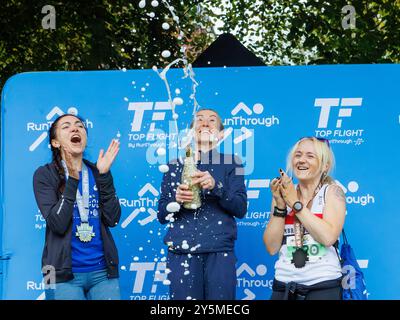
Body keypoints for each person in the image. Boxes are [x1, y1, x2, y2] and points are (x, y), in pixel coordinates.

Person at [157, 109, 247, 300]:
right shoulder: (174, 165)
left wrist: (217, 187)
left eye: (212, 120)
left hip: (219, 251)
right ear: (190, 132)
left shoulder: (232, 163)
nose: (205, 123)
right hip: (182, 253)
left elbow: (240, 208)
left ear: (221, 134)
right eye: (199, 119)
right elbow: (162, 216)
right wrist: (176, 201)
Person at [33, 114, 121, 300]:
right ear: (55, 143)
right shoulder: (44, 174)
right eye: (66, 126)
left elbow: (113, 219)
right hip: (58, 273)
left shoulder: (98, 171)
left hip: (103, 272)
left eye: (79, 126)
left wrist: (104, 176)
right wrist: (73, 178)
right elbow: (57, 223)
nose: (75, 129)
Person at [263, 137, 346, 300]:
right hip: (283, 287)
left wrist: (294, 203)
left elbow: (327, 237)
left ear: (325, 165)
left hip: (322, 288)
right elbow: (272, 247)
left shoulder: (332, 192)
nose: (301, 160)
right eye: (298, 155)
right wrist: (280, 205)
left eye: (310, 156)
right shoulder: (283, 193)